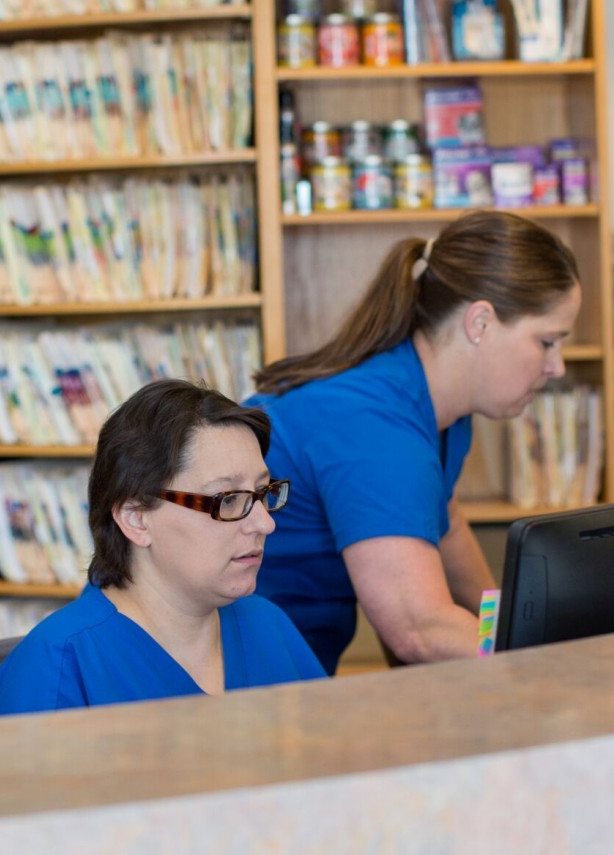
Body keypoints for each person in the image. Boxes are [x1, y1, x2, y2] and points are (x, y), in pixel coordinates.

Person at [247, 210, 582, 674]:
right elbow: (418, 629)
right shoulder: (376, 425)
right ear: (480, 322)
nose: (557, 367)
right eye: (547, 342)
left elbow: (442, 522)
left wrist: (511, 620)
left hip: (288, 667)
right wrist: (561, 663)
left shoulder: (437, 410)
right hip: (230, 684)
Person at [0, 379, 326, 716]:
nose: (265, 523)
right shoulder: (57, 669)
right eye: (229, 499)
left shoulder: (268, 625)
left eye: (263, 493)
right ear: (136, 519)